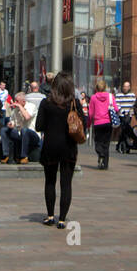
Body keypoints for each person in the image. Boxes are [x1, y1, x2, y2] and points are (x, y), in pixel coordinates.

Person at [35, 71, 86, 228]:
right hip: (68, 147)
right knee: (66, 184)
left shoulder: (46, 103)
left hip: (50, 146)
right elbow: (83, 123)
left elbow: (39, 126)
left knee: (50, 182)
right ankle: (62, 219)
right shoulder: (74, 103)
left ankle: (50, 216)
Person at [88, 78, 114, 169]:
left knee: (98, 141)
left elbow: (90, 113)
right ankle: (105, 165)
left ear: (96, 88)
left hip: (98, 123)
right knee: (106, 143)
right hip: (108, 122)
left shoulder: (93, 98)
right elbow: (116, 109)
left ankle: (100, 153)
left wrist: (88, 123)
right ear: (105, 87)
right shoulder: (110, 96)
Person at [115, 81, 136, 153]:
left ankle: (121, 144)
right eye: (124, 86)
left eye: (127, 86)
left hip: (129, 115)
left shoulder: (132, 95)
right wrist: (123, 111)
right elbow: (117, 105)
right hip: (121, 115)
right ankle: (123, 144)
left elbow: (133, 105)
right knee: (123, 129)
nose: (126, 88)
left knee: (126, 129)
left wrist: (130, 112)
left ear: (129, 87)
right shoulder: (119, 95)